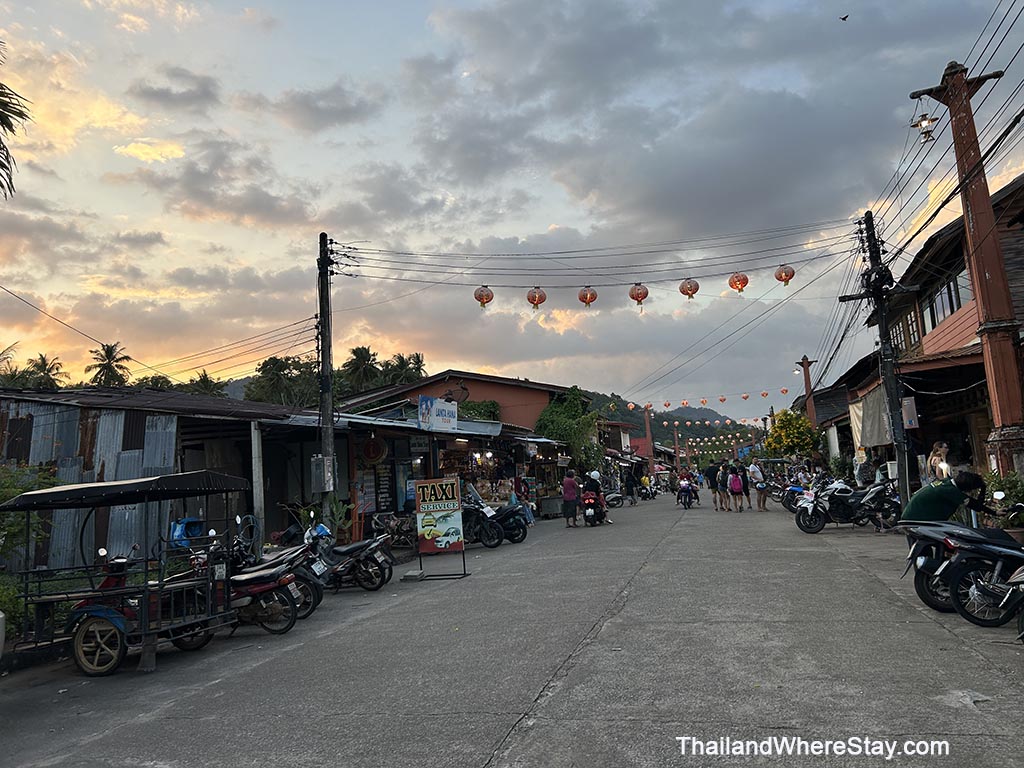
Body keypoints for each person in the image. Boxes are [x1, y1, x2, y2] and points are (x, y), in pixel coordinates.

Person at [901, 471, 986, 522]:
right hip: (916, 520)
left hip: (911, 516)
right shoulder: (951, 491)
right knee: (924, 550)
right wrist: (983, 488)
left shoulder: (947, 482)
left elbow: (973, 503)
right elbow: (977, 506)